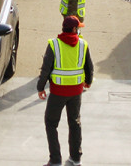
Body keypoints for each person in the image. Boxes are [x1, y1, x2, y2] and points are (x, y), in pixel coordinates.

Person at [38, 16, 94, 166]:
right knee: (74, 122)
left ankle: (55, 160)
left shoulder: (54, 44)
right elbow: (89, 67)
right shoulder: (83, 44)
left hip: (58, 92)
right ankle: (76, 159)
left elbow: (46, 69)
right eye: (78, 27)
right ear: (74, 29)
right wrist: (88, 81)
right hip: (76, 92)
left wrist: (40, 87)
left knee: (51, 123)